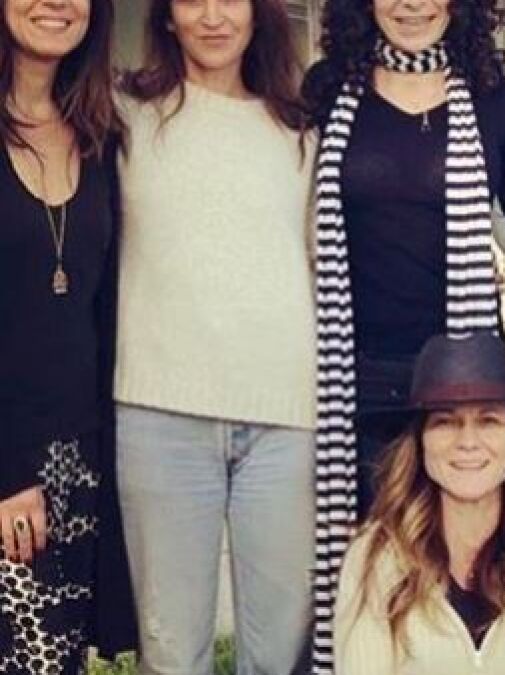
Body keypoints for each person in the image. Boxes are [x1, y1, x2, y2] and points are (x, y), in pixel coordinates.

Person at [302, 3, 505, 662]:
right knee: (365, 581)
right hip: (355, 384)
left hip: (461, 388)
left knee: (457, 577)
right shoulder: (329, 90)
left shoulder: (496, 99)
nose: (411, 5)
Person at [114, 0, 316, 671]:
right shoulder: (125, 116)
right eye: (192, 1)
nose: (212, 17)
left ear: (260, 14)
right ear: (166, 17)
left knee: (280, 651)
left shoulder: (300, 129)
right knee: (172, 649)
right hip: (160, 418)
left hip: (286, 421)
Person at [334, 332, 505, 674]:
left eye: (488, 420)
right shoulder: (373, 557)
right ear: (419, 443)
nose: (468, 442)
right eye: (445, 422)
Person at [0, 0, 135, 670]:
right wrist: (8, 473)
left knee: (56, 658)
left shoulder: (99, 137)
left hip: (78, 460)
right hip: (10, 458)